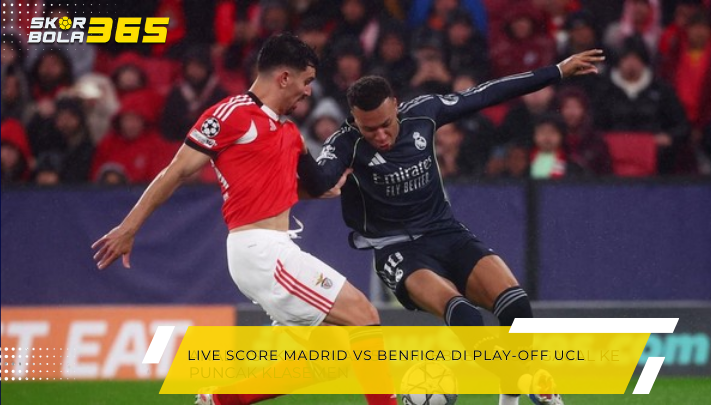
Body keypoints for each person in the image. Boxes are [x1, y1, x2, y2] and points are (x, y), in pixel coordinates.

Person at [91, 33, 393, 405]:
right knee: (363, 314)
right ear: (284, 77)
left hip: (274, 250)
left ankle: (220, 400)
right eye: (306, 81)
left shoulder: (289, 133)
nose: (308, 92)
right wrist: (129, 227)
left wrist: (329, 185)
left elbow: (306, 184)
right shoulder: (232, 114)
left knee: (329, 357)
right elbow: (176, 171)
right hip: (261, 251)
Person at [299, 49, 605, 405]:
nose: (380, 136)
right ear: (354, 119)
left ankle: (512, 395)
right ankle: (528, 379)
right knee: (461, 310)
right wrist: (301, 154)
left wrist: (556, 71)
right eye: (369, 129)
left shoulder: (423, 113)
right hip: (396, 248)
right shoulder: (344, 144)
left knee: (516, 304)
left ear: (396, 105)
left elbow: (487, 93)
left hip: (445, 231)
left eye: (386, 124)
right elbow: (319, 179)